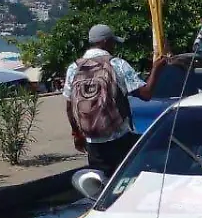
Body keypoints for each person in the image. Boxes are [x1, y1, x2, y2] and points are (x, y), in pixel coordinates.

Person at [63, 24, 168, 176]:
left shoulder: (74, 68)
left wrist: (77, 133)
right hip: (119, 138)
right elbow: (146, 94)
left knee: (101, 183)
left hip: (93, 142)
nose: (114, 47)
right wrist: (156, 69)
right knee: (125, 180)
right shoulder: (116, 64)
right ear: (105, 42)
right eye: (113, 42)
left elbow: (69, 106)